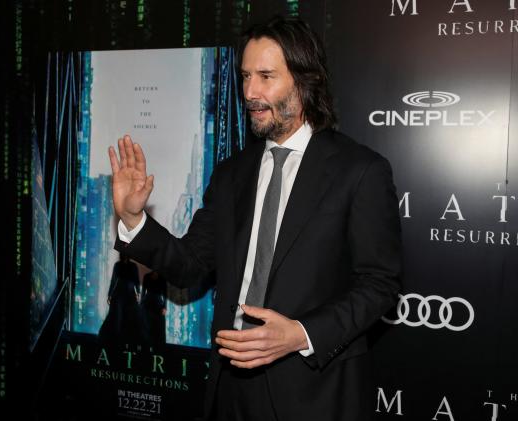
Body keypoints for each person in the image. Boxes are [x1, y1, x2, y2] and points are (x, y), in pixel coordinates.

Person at [108, 16, 401, 421]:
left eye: (266, 76)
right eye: (246, 76)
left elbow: (380, 285)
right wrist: (133, 217)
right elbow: (190, 264)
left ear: (304, 80)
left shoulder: (360, 170)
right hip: (231, 388)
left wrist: (300, 334)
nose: (250, 92)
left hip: (315, 392)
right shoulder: (231, 175)